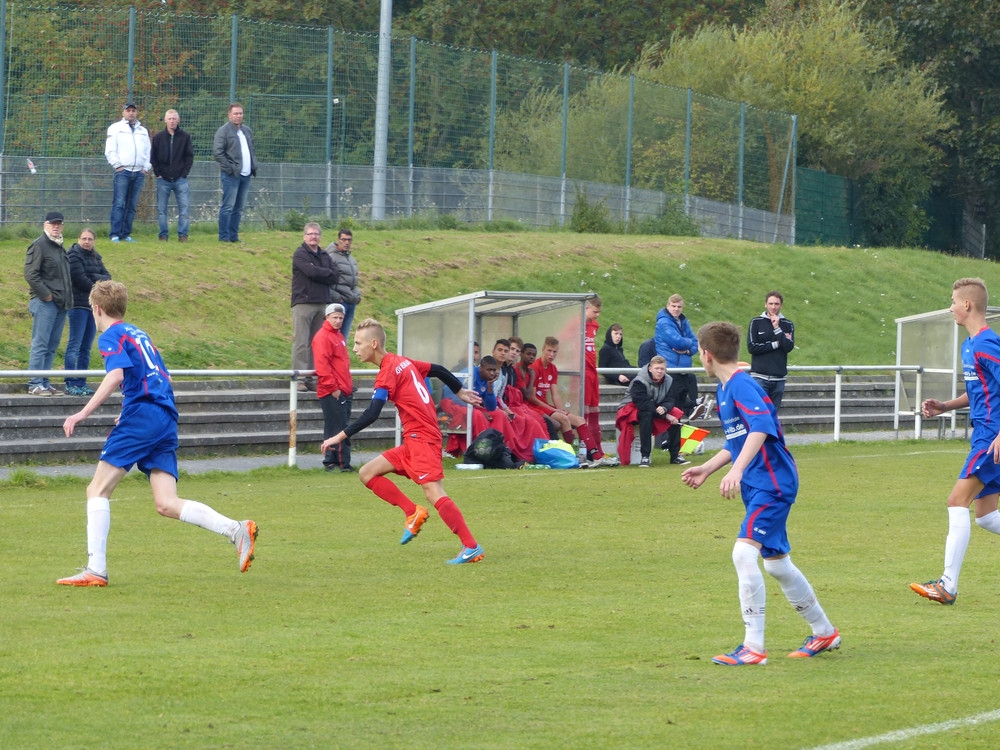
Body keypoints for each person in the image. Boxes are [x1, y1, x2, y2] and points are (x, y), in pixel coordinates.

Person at [57, 280, 258, 587]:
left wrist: (83, 412)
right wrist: (137, 411)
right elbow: (165, 377)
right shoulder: (139, 334)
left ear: (96, 309)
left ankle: (96, 570)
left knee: (97, 490)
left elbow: (116, 375)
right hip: (163, 415)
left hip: (145, 415)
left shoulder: (111, 335)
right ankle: (236, 530)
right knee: (166, 502)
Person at [680, 321, 840, 665]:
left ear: (706, 355)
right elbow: (738, 440)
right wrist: (709, 468)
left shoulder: (741, 385)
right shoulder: (726, 388)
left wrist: (737, 470)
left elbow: (762, 427)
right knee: (778, 565)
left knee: (743, 554)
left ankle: (753, 647)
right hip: (758, 482)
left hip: (772, 483)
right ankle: (824, 632)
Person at [320, 318, 485, 565]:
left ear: (373, 344)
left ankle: (471, 546)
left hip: (422, 438)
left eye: (358, 343)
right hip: (414, 439)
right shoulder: (402, 361)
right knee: (367, 473)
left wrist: (338, 436)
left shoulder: (387, 373)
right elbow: (438, 369)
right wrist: (459, 390)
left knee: (433, 491)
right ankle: (412, 512)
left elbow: (372, 413)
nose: (354, 349)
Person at [910, 278, 1000, 606]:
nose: (950, 307)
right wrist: (946, 406)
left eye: (952, 301)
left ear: (967, 305)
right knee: (986, 516)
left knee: (956, 501)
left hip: (991, 439)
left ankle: (947, 585)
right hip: (985, 435)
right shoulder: (970, 345)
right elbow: (980, 390)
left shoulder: (988, 343)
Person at [525, 336, 606, 467]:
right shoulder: (535, 367)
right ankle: (572, 456)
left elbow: (555, 394)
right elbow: (532, 397)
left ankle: (597, 457)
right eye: (549, 351)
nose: (552, 355)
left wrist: (560, 409)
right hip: (534, 406)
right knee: (563, 419)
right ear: (543, 349)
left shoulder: (552, 368)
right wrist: (555, 410)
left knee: (579, 420)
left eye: (554, 352)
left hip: (546, 406)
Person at [24, 211, 73, 396]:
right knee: (40, 344)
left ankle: (45, 382)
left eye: (59, 223)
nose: (56, 226)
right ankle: (35, 384)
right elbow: (30, 275)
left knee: (52, 346)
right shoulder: (39, 245)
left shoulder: (60, 247)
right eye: (53, 223)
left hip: (61, 304)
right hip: (45, 303)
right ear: (45, 225)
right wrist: (46, 296)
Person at [64, 229, 112, 397]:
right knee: (74, 345)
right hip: (77, 306)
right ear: (78, 239)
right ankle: (70, 383)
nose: (86, 241)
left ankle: (81, 382)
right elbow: (80, 280)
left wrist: (92, 276)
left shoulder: (96, 257)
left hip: (93, 308)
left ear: (94, 241)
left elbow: (108, 276)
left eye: (90, 239)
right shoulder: (73, 256)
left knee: (86, 348)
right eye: (84, 238)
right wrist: (98, 282)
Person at [291, 223, 338, 391]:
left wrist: (319, 271)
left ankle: (310, 378)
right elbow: (310, 272)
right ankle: (299, 379)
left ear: (320, 236)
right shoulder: (300, 253)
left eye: (316, 234)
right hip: (303, 303)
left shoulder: (324, 255)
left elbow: (335, 276)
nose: (313, 237)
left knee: (316, 344)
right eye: (310, 234)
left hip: (321, 303)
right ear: (304, 236)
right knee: (301, 342)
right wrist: (324, 272)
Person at [615, 355, 682, 467]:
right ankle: (645, 456)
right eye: (657, 368)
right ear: (650, 368)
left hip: (654, 406)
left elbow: (670, 399)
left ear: (666, 370)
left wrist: (665, 408)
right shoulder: (639, 381)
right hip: (631, 408)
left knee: (676, 414)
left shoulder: (669, 380)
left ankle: (675, 456)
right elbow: (642, 403)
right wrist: (665, 415)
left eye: (662, 369)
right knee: (647, 415)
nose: (659, 371)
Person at [312, 303, 355, 472]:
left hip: (341, 389)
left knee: (334, 427)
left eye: (341, 318)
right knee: (341, 428)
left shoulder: (338, 336)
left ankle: (331, 461)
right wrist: (333, 388)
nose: (338, 321)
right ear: (327, 317)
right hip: (333, 390)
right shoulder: (323, 337)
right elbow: (322, 366)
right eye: (335, 317)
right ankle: (343, 464)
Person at [104, 102, 151, 243]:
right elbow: (110, 150)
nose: (131, 113)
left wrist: (145, 168)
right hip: (123, 171)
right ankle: (115, 234)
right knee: (119, 203)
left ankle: (126, 234)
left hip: (139, 173)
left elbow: (148, 151)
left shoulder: (143, 131)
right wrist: (117, 166)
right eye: (128, 110)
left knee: (132, 205)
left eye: (133, 110)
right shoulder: (115, 128)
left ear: (136, 113)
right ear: (123, 112)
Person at [213, 102, 257, 242]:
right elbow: (218, 153)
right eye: (236, 113)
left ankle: (234, 236)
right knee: (228, 206)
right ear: (229, 115)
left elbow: (251, 149)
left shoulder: (247, 131)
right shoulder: (223, 131)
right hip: (231, 175)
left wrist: (253, 165)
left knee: (239, 208)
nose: (238, 116)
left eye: (240, 113)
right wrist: (230, 169)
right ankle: (223, 237)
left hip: (246, 174)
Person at [150, 108, 194, 242]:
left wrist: (184, 173)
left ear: (178, 120)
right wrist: (158, 173)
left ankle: (183, 235)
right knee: (162, 210)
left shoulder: (185, 137)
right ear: (165, 120)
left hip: (180, 179)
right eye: (169, 119)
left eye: (174, 118)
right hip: (163, 179)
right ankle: (163, 235)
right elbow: (153, 157)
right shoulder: (158, 137)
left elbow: (189, 156)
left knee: (184, 209)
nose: (172, 121)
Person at [747, 290, 795, 411]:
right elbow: (752, 347)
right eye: (771, 303)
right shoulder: (756, 322)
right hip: (759, 377)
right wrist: (775, 344)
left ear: (781, 305)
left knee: (773, 415)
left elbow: (788, 347)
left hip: (779, 379)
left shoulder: (787, 324)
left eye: (776, 304)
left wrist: (777, 328)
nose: (773, 307)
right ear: (766, 304)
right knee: (759, 413)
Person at [654, 294, 700, 416]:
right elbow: (678, 343)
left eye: (679, 307)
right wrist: (689, 342)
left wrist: (687, 351)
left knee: (680, 405)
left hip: (684, 368)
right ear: (668, 306)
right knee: (673, 406)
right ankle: (695, 407)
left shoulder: (683, 320)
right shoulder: (663, 322)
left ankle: (695, 407)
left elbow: (696, 343)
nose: (676, 309)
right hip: (671, 369)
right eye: (673, 306)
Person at [324, 228, 362, 340]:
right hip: (339, 302)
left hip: (351, 302)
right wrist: (336, 298)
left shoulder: (351, 259)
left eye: (349, 240)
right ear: (338, 240)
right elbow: (324, 281)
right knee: (334, 337)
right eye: (344, 239)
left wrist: (357, 295)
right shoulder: (330, 257)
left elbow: (353, 281)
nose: (346, 242)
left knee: (343, 338)